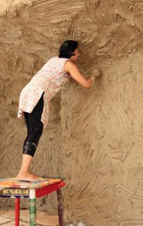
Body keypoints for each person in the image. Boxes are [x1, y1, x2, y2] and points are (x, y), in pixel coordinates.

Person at [16, 40, 99, 180]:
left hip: (28, 92)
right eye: (77, 52)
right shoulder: (69, 65)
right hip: (38, 94)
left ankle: (23, 172)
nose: (78, 55)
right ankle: (23, 173)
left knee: (32, 132)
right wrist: (94, 77)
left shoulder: (53, 60)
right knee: (35, 131)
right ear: (71, 53)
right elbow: (85, 84)